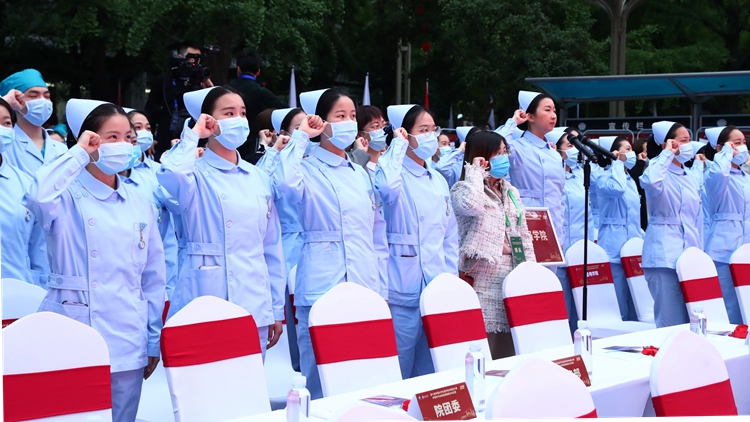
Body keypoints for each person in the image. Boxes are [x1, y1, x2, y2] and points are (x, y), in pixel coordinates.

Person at [25, 99, 166, 422]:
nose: (123, 145)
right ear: (90, 140)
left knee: (122, 416)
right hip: (73, 323)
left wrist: (152, 337)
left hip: (128, 331)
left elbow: (153, 275)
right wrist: (78, 153)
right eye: (111, 137)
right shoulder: (65, 194)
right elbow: (37, 196)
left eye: (128, 137)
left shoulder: (138, 199)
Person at [274, 88, 389, 398]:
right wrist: (302, 136)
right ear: (320, 122)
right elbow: (285, 184)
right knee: (321, 377)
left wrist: (380, 288)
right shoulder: (305, 168)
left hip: (364, 281)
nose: (349, 122)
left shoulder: (359, 173)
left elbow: (376, 236)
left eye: (352, 116)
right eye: (340, 116)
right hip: (322, 282)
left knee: (364, 373)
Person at [157, 86, 285, 355]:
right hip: (205, 294)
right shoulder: (193, 173)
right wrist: (194, 134)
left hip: (253, 298)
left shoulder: (257, 176)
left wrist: (275, 307)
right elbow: (171, 174)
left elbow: (271, 246)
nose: (238, 119)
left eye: (242, 113)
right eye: (228, 113)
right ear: (208, 120)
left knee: (248, 378)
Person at [375, 104, 459, 379]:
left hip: (436, 283)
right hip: (401, 284)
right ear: (405, 134)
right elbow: (387, 189)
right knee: (398, 365)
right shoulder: (392, 173)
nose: (431, 137)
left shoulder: (437, 179)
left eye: (433, 130)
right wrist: (397, 146)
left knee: (432, 367)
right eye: (423, 130)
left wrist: (450, 281)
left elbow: (449, 236)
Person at [450, 130, 536, 359]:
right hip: (483, 280)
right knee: (486, 348)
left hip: (513, 277)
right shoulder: (463, 189)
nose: (503, 157)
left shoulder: (511, 191)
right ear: (482, 157)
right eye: (497, 153)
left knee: (512, 349)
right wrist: (475, 172)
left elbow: (524, 233)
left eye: (505, 151)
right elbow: (472, 206)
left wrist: (531, 270)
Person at [255, 106, 306, 372]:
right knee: (292, 322)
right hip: (286, 248)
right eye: (299, 128)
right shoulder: (274, 164)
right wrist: (274, 151)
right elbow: (260, 185)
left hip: (315, 247)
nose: (307, 131)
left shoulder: (315, 163)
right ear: (284, 133)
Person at [640, 121, 700, 328]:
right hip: (664, 254)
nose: (688, 145)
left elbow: (696, 217)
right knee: (670, 322)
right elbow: (650, 181)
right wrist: (666, 154)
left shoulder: (689, 175)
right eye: (683, 140)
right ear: (667, 144)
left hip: (689, 252)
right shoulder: (658, 170)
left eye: (689, 140)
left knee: (693, 320)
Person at [121, 110, 179, 302]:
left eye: (147, 128)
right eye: (137, 127)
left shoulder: (159, 172)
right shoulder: (113, 176)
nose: (143, 133)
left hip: (158, 270)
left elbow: (171, 226)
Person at [547, 128, 594, 333]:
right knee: (562, 305)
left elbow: (588, 212)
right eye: (570, 145)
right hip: (560, 247)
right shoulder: (551, 177)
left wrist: (590, 241)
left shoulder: (579, 175)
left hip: (581, 248)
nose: (575, 149)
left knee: (582, 307)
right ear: (556, 148)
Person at [0, 97, 49, 288]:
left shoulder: (26, 184)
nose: (2, 129)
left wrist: (40, 292)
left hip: (18, 293)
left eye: (6, 123)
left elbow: (39, 250)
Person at [506, 91, 566, 250]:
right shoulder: (517, 148)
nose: (553, 115)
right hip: (525, 225)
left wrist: (560, 235)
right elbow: (493, 146)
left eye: (554, 110)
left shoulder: (555, 154)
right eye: (547, 110)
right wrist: (513, 122)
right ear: (530, 117)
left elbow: (560, 198)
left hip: (553, 228)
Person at [702, 125, 750, 324]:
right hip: (724, 248)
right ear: (720, 148)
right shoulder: (715, 175)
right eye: (736, 143)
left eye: (744, 142)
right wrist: (726, 153)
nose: (742, 147)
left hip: (745, 247)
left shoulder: (746, 177)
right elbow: (720, 174)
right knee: (729, 307)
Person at [594, 135, 644, 321]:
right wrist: (616, 163)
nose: (632, 154)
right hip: (614, 242)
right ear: (614, 153)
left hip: (633, 241)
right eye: (628, 149)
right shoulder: (603, 178)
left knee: (637, 298)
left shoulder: (629, 179)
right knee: (618, 296)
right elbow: (617, 189)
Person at [145, 41, 214, 162]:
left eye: (198, 58)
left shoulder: (200, 82)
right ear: (180, 57)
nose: (195, 62)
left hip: (196, 144)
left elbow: (211, 113)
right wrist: (149, 137)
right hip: (165, 140)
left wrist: (209, 91)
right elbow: (150, 110)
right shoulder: (164, 80)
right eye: (191, 57)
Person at [0, 71, 68, 176]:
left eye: (47, 96)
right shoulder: (4, 144)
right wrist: (5, 102)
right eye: (33, 96)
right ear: (15, 101)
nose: (42, 101)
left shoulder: (61, 148)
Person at [228, 50, 287, 161]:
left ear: (238, 69)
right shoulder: (261, 92)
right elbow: (284, 108)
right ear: (258, 72)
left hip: (227, 140)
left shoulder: (225, 90)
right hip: (251, 143)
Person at [356, 105, 389, 179]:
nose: (382, 130)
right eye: (375, 126)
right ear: (359, 134)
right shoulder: (357, 165)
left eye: (384, 125)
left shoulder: (390, 160)